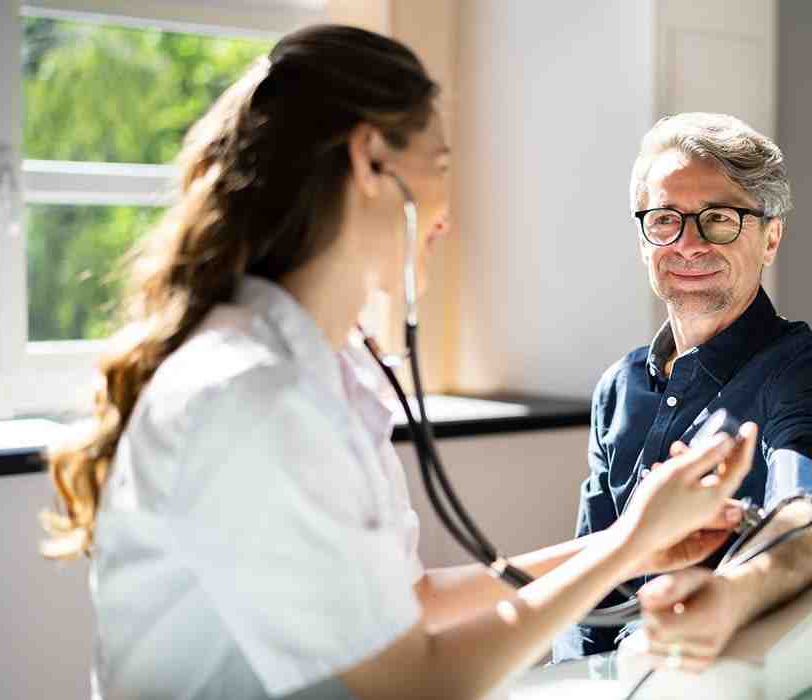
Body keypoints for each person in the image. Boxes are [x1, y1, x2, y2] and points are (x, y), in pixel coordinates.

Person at [41, 27, 760, 700]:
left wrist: (626, 548)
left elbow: (406, 605)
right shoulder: (253, 394)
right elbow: (416, 683)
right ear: (369, 159)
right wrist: (629, 541)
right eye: (440, 167)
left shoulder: (323, 369)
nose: (446, 215)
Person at [553, 113, 812, 664]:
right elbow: (592, 575)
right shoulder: (619, 387)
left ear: (770, 238)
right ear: (643, 239)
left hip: (708, 673)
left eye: (718, 219)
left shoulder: (806, 370)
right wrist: (567, 680)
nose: (688, 243)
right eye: (666, 219)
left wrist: (730, 594)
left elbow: (806, 520)